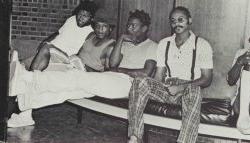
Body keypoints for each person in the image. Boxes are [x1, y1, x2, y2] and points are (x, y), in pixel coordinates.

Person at [8, 10, 157, 128]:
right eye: (128, 25)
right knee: (64, 92)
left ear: (144, 28)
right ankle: (25, 116)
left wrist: (119, 71)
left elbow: (146, 73)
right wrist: (121, 40)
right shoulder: (124, 43)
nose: (129, 28)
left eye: (133, 25)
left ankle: (28, 77)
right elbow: (113, 65)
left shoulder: (152, 46)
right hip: (110, 78)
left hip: (129, 84)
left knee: (77, 78)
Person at [127, 6, 213, 143]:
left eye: (181, 20)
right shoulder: (164, 43)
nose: (177, 24)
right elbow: (159, 76)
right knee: (140, 81)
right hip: (167, 88)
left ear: (189, 20)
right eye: (173, 21)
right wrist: (154, 87)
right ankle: (134, 138)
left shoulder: (202, 45)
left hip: (188, 89)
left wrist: (181, 87)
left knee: (195, 90)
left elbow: (207, 79)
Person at [28, 1, 97, 71]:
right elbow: (58, 33)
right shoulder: (72, 19)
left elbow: (84, 52)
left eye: (85, 16)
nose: (80, 18)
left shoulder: (90, 32)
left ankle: (31, 76)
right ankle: (31, 73)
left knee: (46, 48)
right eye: (80, 14)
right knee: (24, 63)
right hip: (52, 50)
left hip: (65, 56)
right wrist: (45, 41)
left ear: (91, 18)